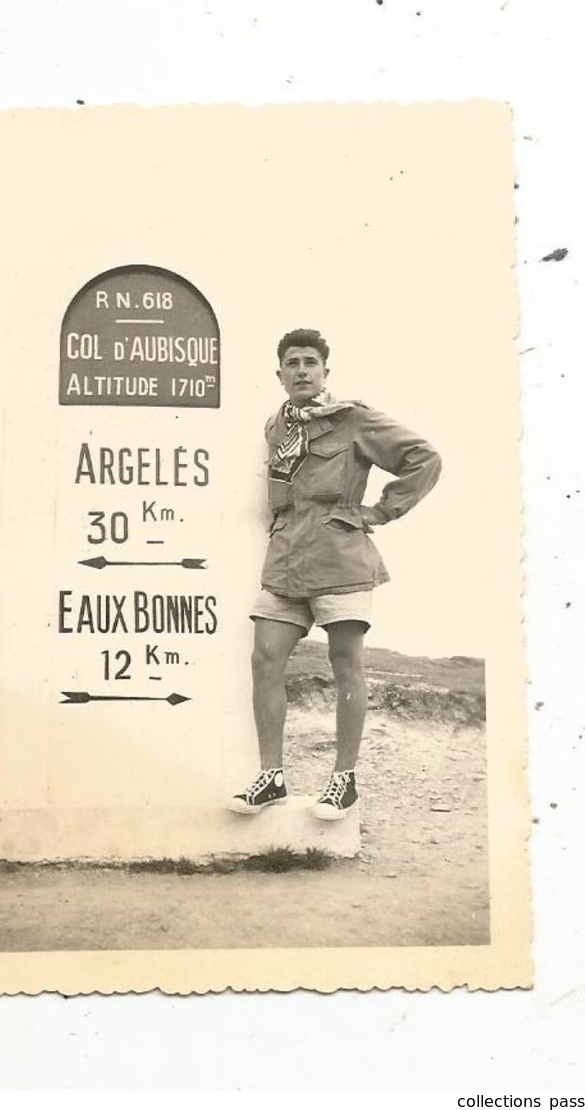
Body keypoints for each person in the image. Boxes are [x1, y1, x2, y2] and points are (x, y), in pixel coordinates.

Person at [227, 328, 441, 819]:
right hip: (285, 556)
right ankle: (271, 777)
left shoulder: (353, 420)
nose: (301, 370)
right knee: (265, 658)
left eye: (310, 362)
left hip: (340, 554)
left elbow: (424, 458)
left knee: (345, 660)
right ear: (279, 373)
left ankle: (343, 781)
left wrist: (382, 512)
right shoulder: (276, 427)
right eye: (292, 363)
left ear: (325, 371)